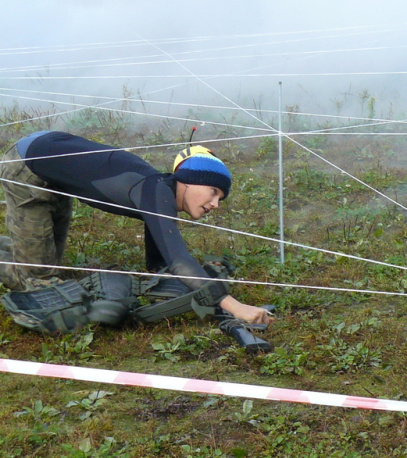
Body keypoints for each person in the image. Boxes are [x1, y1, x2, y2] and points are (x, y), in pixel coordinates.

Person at [0, 131, 274, 327]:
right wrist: (236, 307)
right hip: (27, 168)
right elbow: (178, 261)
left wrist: (169, 278)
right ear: (189, 181)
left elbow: (160, 262)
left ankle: (21, 251)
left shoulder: (158, 191)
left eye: (220, 199)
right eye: (213, 192)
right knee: (37, 280)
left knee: (46, 263)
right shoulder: (156, 191)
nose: (215, 204)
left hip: (50, 162)